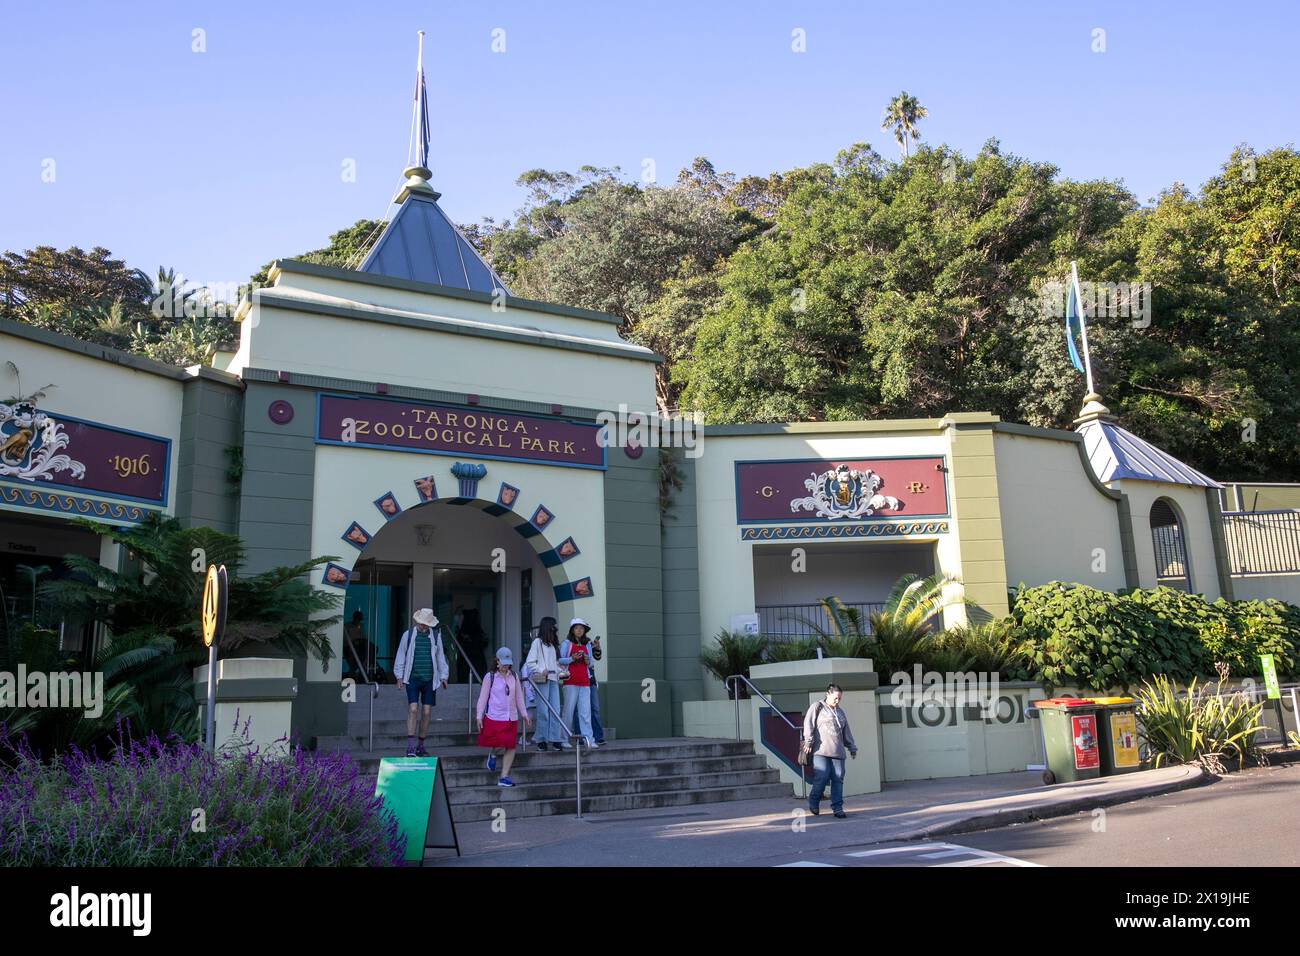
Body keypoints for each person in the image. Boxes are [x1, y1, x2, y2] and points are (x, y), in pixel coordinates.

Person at [394, 608, 450, 757]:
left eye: (426, 624)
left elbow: (440, 657)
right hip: (412, 678)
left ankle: (421, 745)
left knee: (426, 711)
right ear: (417, 621)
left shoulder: (435, 636)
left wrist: (444, 676)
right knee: (413, 709)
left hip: (429, 680)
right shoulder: (409, 635)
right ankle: (410, 746)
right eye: (422, 623)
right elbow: (401, 654)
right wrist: (399, 676)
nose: (424, 626)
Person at [476, 647, 532, 787]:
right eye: (504, 662)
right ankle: (493, 754)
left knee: (511, 746)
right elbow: (483, 697)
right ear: (497, 661)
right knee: (500, 744)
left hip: (511, 717)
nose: (506, 665)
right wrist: (479, 716)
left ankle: (504, 776)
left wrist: (524, 714)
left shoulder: (514, 676)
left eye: (509, 662)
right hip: (495, 717)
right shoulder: (490, 677)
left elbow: (519, 696)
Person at [801, 683, 857, 818]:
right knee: (822, 776)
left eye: (839, 699)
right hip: (820, 751)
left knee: (838, 779)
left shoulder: (840, 712)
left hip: (838, 752)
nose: (837, 701)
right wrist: (808, 740)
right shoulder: (817, 707)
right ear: (828, 694)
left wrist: (852, 747)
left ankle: (837, 808)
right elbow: (808, 724)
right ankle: (814, 801)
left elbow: (846, 731)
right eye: (835, 698)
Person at [525, 616, 565, 750]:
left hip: (553, 679)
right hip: (543, 680)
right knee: (543, 711)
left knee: (555, 710)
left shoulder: (553, 645)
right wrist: (542, 670)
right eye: (553, 627)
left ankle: (555, 738)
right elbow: (530, 662)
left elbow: (555, 664)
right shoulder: (537, 642)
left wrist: (561, 672)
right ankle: (542, 739)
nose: (555, 630)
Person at [559, 617, 598, 750]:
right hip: (570, 681)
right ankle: (564, 739)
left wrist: (587, 660)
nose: (579, 630)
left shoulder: (587, 644)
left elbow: (591, 663)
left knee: (585, 713)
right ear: (572, 630)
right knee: (568, 712)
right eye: (576, 628)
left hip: (585, 681)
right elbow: (560, 660)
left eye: (582, 628)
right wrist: (572, 658)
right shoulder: (566, 643)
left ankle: (589, 740)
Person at [588, 631, 606, 745]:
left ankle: (598, 736)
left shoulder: (588, 642)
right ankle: (583, 737)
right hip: (579, 679)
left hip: (591, 679)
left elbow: (597, 657)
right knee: (581, 710)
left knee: (595, 709)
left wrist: (597, 648)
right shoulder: (571, 643)